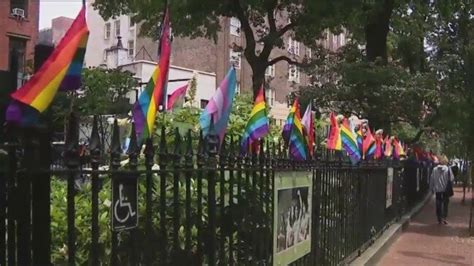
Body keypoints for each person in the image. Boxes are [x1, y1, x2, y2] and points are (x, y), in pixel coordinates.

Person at [429, 155, 454, 224]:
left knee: (438, 204)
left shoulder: (434, 169)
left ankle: (439, 218)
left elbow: (432, 179)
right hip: (446, 190)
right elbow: (452, 179)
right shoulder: (448, 169)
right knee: (445, 204)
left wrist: (431, 188)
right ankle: (444, 218)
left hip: (438, 190)